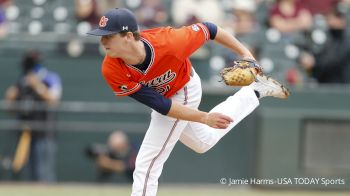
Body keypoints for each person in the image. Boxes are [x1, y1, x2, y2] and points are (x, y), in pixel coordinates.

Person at [87, 8, 290, 196]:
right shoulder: (111, 69)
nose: (103, 41)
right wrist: (205, 118)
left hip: (184, 87)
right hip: (165, 99)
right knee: (203, 142)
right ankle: (254, 91)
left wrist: (246, 54)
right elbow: (160, 105)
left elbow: (210, 29)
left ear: (129, 36)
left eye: (109, 36)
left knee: (147, 161)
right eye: (101, 35)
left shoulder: (170, 41)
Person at [4, 50, 62, 182]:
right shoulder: (22, 82)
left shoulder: (50, 78)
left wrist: (37, 85)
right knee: (29, 176)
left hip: (44, 134)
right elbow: (11, 109)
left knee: (44, 174)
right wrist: (11, 97)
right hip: (25, 135)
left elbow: (54, 101)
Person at [300, 2, 350, 83]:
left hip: (343, 85)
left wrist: (314, 61)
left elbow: (334, 59)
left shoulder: (346, 38)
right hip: (326, 82)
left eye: (340, 17)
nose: (338, 20)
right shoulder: (326, 34)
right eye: (335, 15)